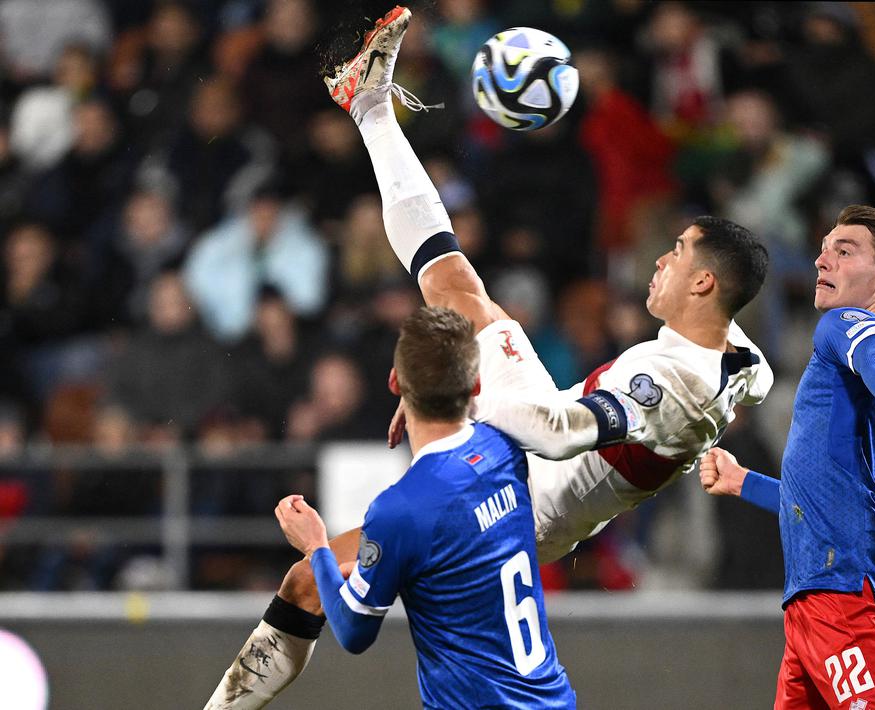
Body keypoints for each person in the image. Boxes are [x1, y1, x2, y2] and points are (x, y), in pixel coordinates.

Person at [205, 7, 773, 708]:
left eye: (677, 252)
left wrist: (438, 394)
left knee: (305, 584)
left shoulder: (670, 386)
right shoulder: (736, 354)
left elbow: (560, 436)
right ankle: (368, 104)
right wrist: (438, 391)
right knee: (455, 286)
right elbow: (745, 379)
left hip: (526, 500)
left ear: (703, 283)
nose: (659, 258)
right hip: (531, 438)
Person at [266, 306, 574, 708]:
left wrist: (316, 548)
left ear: (395, 383)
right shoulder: (506, 449)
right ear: (476, 384)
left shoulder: (401, 510)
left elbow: (353, 631)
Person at [701, 204, 875, 709]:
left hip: (846, 594)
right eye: (823, 250)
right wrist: (745, 483)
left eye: (844, 252)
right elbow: (828, 498)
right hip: (818, 595)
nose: (822, 261)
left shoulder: (843, 327)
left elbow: (874, 351)